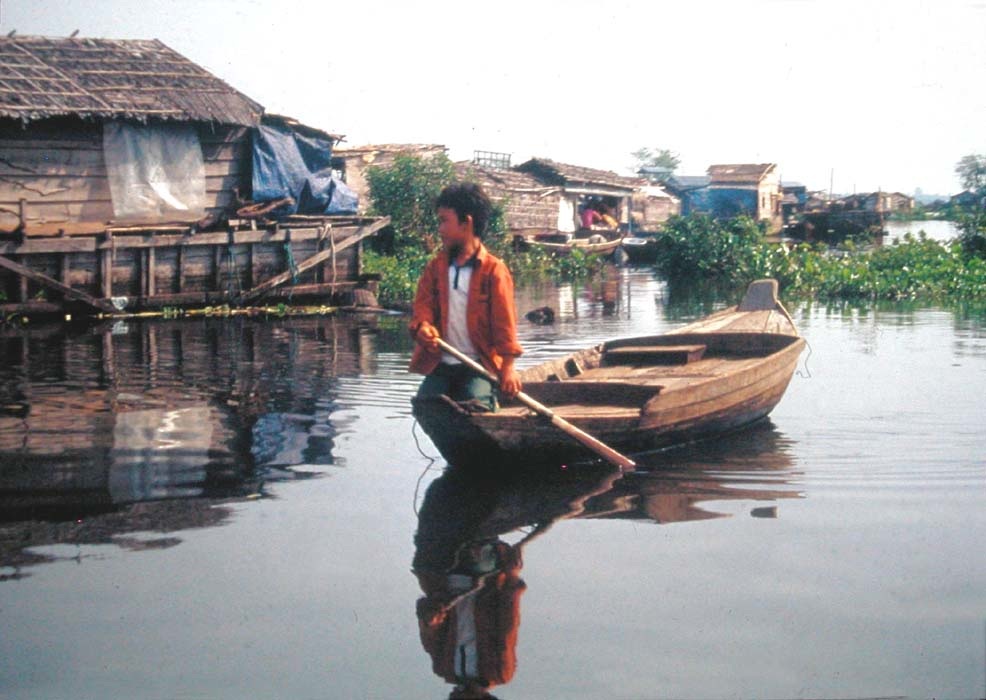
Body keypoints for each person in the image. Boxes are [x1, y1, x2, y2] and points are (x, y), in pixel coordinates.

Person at [409, 183, 523, 411]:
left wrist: (508, 368)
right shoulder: (436, 267)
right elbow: (423, 306)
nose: (440, 229)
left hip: (479, 364)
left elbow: (505, 325)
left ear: (466, 222)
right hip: (443, 362)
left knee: (476, 406)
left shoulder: (493, 270)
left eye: (444, 221)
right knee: (424, 405)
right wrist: (423, 326)